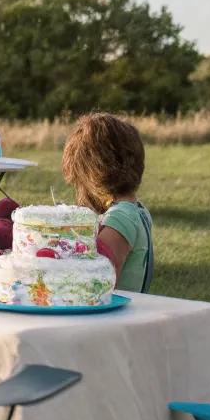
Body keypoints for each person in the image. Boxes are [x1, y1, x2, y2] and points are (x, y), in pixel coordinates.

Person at [62, 112, 154, 292]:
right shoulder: (137, 210)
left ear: (91, 176)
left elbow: (98, 282)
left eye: (78, 183)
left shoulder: (120, 218)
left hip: (116, 318)